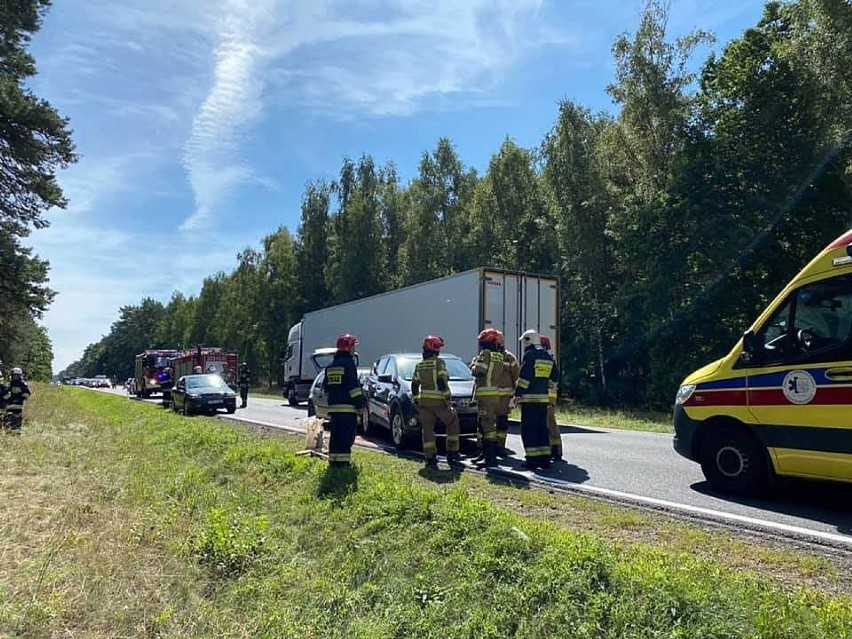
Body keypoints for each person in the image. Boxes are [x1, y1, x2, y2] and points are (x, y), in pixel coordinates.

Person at [411, 335, 462, 469]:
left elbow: (414, 385)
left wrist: (417, 400)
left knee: (427, 430)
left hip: (424, 403)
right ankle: (452, 453)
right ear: (435, 350)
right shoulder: (439, 363)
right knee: (452, 422)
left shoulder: (419, 365)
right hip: (439, 402)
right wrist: (447, 399)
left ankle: (430, 458)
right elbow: (441, 382)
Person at [513, 330, 559, 470]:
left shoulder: (530, 355)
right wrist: (545, 386)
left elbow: (524, 377)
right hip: (543, 399)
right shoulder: (547, 355)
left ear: (528, 340)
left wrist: (518, 394)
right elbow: (554, 377)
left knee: (529, 430)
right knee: (542, 429)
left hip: (529, 400)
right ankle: (545, 460)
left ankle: (532, 460)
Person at [322, 334, 366, 467]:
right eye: (353, 347)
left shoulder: (330, 366)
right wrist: (360, 404)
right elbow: (353, 388)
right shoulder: (349, 365)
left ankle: (334, 462)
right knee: (346, 437)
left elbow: (326, 387)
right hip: (347, 409)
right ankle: (343, 465)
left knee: (335, 437)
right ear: (348, 348)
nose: (354, 350)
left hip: (334, 409)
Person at [471, 328, 505, 468]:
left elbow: (479, 371)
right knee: (485, 424)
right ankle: (485, 454)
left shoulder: (485, 354)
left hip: (485, 395)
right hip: (494, 395)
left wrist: (473, 364)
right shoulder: (499, 356)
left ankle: (490, 458)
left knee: (487, 427)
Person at [494, 331, 520, 457]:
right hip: (490, 398)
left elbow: (516, 377)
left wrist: (516, 395)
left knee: (502, 424)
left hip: (504, 399)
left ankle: (500, 446)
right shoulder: (487, 356)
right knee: (485, 424)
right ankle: (484, 448)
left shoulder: (510, 358)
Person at [539, 335, 562, 461]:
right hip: (550, 396)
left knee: (548, 423)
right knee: (551, 423)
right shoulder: (550, 359)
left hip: (546, 396)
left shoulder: (545, 359)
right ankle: (555, 450)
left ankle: (553, 451)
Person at [2, 367, 31, 435]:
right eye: (14, 375)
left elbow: (27, 393)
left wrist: (20, 399)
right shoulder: (10, 383)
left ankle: (16, 434)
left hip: (18, 405)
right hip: (10, 405)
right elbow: (7, 392)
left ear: (19, 375)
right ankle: (8, 432)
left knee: (16, 419)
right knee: (7, 419)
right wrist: (6, 400)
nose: (15, 376)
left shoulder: (23, 384)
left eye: (16, 375)